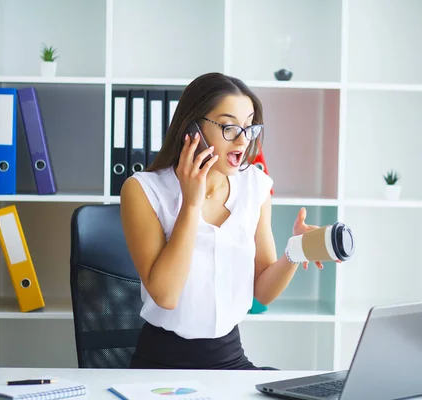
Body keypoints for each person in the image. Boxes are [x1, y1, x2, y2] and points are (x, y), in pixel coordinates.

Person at [120, 72, 326, 370]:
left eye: (249, 126)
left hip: (230, 360)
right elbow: (165, 295)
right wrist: (191, 202)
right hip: (162, 365)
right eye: (229, 127)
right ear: (192, 128)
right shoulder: (143, 190)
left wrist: (296, 251)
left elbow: (263, 292)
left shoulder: (256, 186)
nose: (243, 140)